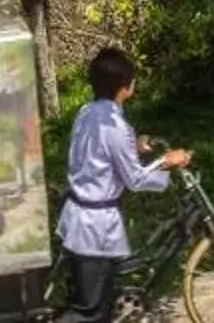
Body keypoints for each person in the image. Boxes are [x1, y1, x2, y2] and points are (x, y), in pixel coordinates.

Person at [54, 47, 190, 323]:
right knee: (89, 312)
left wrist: (134, 147)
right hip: (94, 227)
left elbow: (95, 155)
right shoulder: (116, 126)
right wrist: (168, 161)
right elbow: (135, 180)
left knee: (99, 300)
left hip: (78, 216)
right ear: (125, 87)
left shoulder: (87, 112)